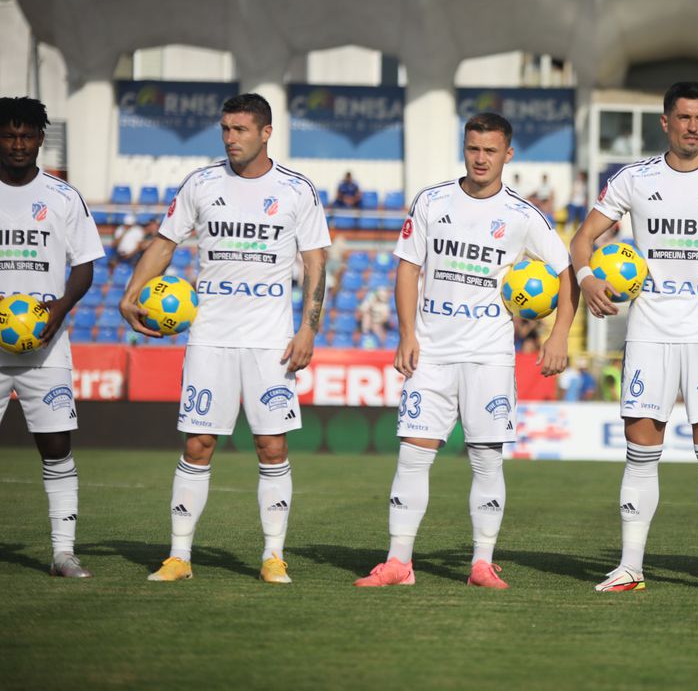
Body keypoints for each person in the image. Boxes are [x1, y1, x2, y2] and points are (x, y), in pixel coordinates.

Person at [354, 113, 576, 589]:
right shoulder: (433, 202)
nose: (480, 159)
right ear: (465, 148)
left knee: (486, 459)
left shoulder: (522, 216)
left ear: (507, 155)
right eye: (473, 149)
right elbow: (408, 268)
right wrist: (407, 333)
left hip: (488, 355)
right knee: (413, 455)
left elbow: (566, 271)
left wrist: (558, 335)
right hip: (430, 352)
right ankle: (398, 563)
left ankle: (481, 563)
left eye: (490, 151)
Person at [570, 80, 698, 594]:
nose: (693, 127)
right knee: (642, 447)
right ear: (665, 121)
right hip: (650, 332)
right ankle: (630, 567)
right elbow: (582, 240)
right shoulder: (635, 180)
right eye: (683, 117)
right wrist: (587, 279)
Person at [120, 93, 330, 584]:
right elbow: (166, 243)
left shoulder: (297, 190)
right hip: (210, 335)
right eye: (226, 129)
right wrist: (131, 293)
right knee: (197, 444)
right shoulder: (202, 183)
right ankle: (179, 556)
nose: (231, 138)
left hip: (270, 341)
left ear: (266, 132)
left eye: (240, 129)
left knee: (271, 446)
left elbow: (316, 262)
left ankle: (273, 555)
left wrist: (308, 328)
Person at [0, 97, 104, 578]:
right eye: (9, 135)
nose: (18, 144)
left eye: (26, 136)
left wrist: (57, 310)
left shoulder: (64, 197)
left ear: (41, 139)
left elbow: (84, 266)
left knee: (56, 446)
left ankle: (64, 552)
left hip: (47, 347)